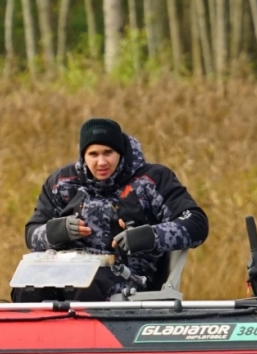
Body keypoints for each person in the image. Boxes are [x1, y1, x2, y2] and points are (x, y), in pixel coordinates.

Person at [22, 118, 208, 300]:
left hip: (129, 277)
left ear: (120, 152)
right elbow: (31, 234)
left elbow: (196, 224)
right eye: (93, 154)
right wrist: (57, 231)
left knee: (85, 287)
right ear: (83, 156)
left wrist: (149, 236)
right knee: (26, 288)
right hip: (68, 269)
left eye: (108, 152)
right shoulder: (61, 182)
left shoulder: (152, 179)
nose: (101, 162)